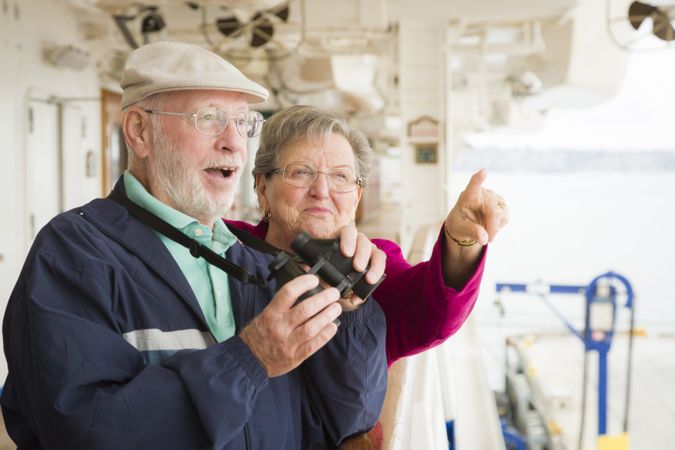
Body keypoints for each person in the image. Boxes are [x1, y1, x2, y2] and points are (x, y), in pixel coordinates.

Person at [1, 42, 388, 450]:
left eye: (242, 122)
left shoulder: (255, 264)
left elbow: (346, 420)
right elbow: (85, 431)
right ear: (139, 131)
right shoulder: (75, 254)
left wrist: (347, 312)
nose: (234, 143)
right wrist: (248, 359)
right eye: (208, 118)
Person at [226, 105, 509, 367]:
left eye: (341, 177)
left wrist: (461, 241)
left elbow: (430, 315)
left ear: (357, 196)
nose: (322, 191)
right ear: (263, 188)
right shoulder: (223, 246)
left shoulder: (371, 266)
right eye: (301, 172)